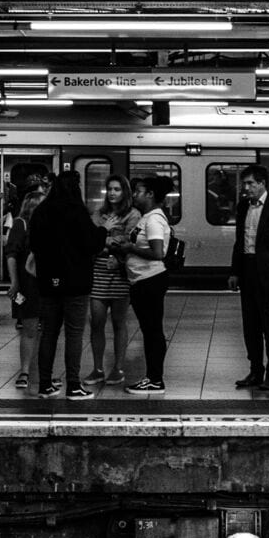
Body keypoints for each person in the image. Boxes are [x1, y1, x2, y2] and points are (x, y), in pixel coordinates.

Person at [29, 170, 106, 399]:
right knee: (74, 334)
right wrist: (103, 230)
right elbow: (92, 245)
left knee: (49, 333)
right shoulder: (77, 212)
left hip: (48, 282)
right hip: (76, 283)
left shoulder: (41, 212)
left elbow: (34, 245)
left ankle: (45, 385)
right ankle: (73, 385)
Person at [228, 164, 269, 391]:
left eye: (250, 183)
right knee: (250, 325)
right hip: (247, 269)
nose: (246, 188)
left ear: (262, 183)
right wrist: (234, 271)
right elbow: (239, 241)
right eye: (244, 184)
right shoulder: (243, 206)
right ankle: (255, 370)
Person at [115, 175, 171, 396]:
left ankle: (155, 379)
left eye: (138, 191)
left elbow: (158, 253)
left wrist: (130, 248)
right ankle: (153, 377)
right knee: (150, 330)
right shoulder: (147, 217)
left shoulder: (154, 220)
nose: (135, 195)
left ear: (150, 194)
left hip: (150, 280)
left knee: (152, 330)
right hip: (142, 280)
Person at [86, 174, 140, 386]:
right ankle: (98, 368)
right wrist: (108, 238)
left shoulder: (133, 214)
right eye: (109, 189)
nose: (112, 193)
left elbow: (129, 240)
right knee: (96, 321)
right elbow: (91, 240)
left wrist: (105, 239)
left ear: (124, 191)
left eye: (117, 189)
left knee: (119, 322)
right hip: (98, 273)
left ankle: (118, 368)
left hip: (120, 273)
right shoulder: (98, 214)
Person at [5, 189, 44, 390]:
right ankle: (26, 371)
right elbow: (11, 254)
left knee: (41, 329)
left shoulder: (46, 226)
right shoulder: (21, 224)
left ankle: (39, 371)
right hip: (27, 285)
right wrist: (14, 282)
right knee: (30, 328)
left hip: (40, 284)